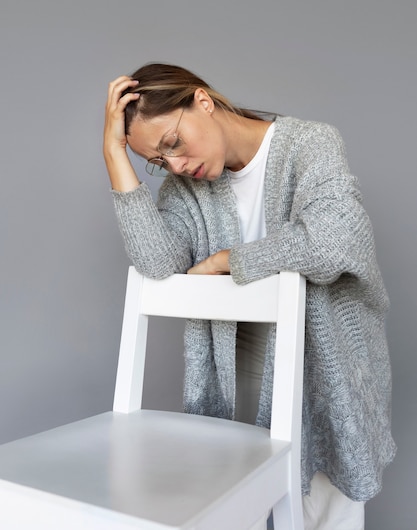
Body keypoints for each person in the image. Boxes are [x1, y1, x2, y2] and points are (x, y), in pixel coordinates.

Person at [103, 62, 396, 530]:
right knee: (242, 505)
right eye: (158, 162)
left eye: (172, 144)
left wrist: (227, 259)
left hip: (327, 364)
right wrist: (115, 156)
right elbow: (157, 264)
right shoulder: (185, 188)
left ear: (203, 100)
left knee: (325, 507)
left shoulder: (310, 143)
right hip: (239, 370)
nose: (175, 165)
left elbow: (338, 240)